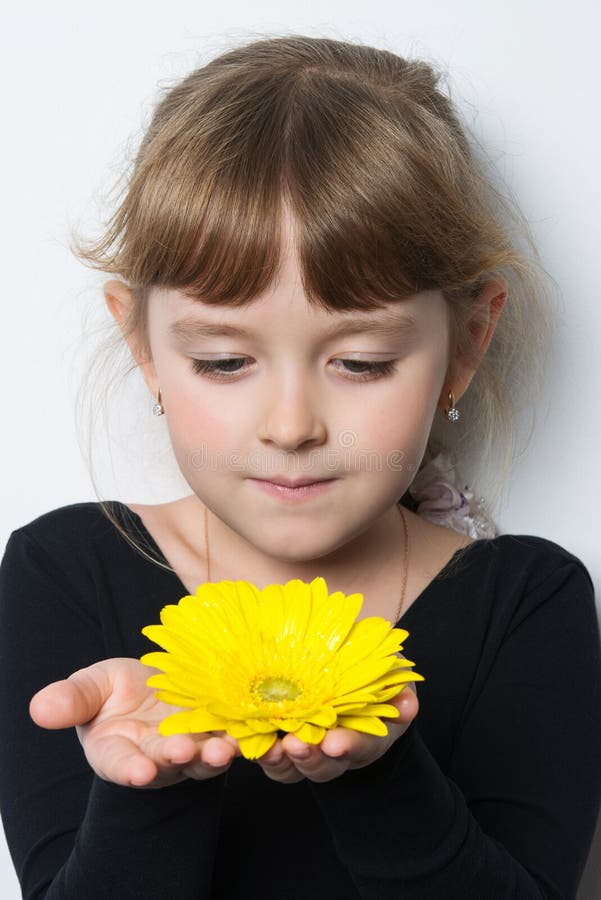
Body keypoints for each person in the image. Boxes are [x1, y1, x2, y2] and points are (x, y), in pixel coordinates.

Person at [0, 33, 599, 900]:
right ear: (142, 346)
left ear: (466, 344)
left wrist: (376, 771)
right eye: (222, 362)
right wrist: (149, 787)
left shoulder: (526, 602)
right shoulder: (63, 573)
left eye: (358, 363)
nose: (290, 426)